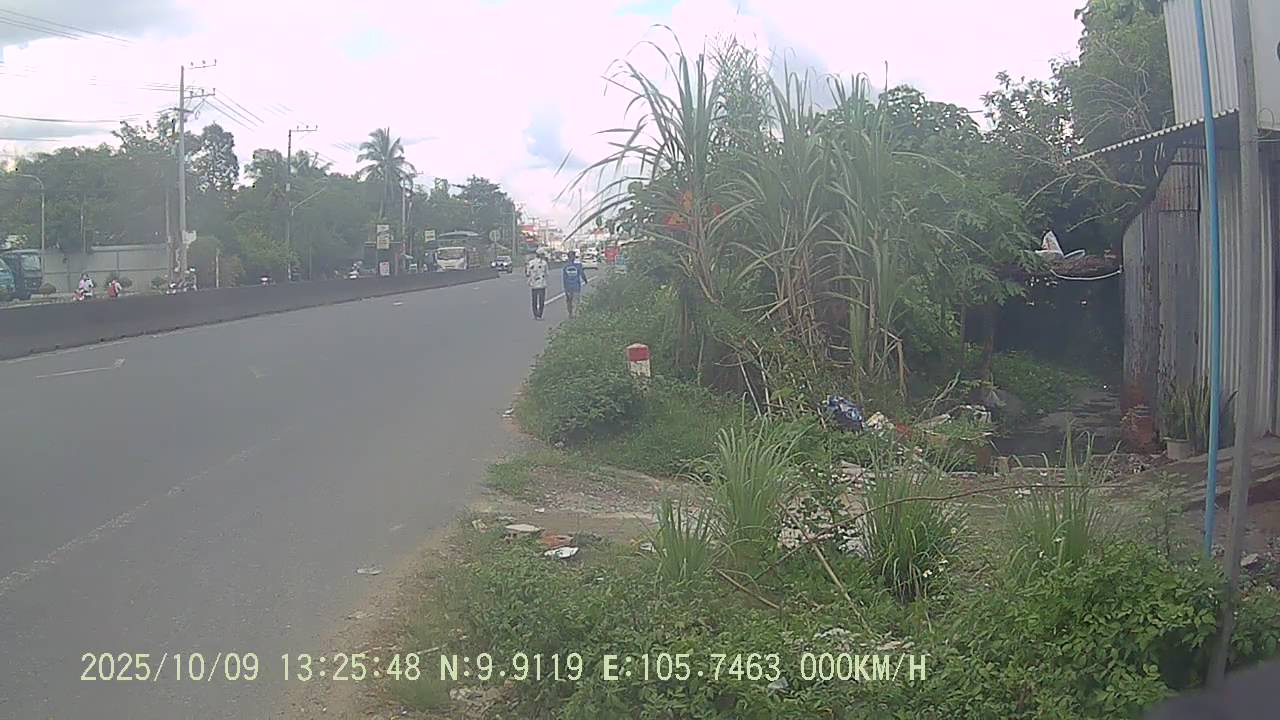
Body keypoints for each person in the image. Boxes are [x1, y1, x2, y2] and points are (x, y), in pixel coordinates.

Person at [562, 250, 588, 318]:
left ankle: (570, 314)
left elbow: (564, 278)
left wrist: (565, 288)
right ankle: (574, 314)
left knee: (569, 301)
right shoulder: (578, 266)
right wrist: (585, 280)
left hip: (568, 287)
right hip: (576, 286)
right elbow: (582, 274)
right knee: (575, 301)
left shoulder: (565, 266)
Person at [526, 248, 549, 320]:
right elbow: (547, 273)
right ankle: (539, 315)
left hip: (534, 284)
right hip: (541, 284)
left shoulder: (531, 262)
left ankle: (535, 315)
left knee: (534, 300)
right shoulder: (544, 263)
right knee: (541, 301)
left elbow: (527, 273)